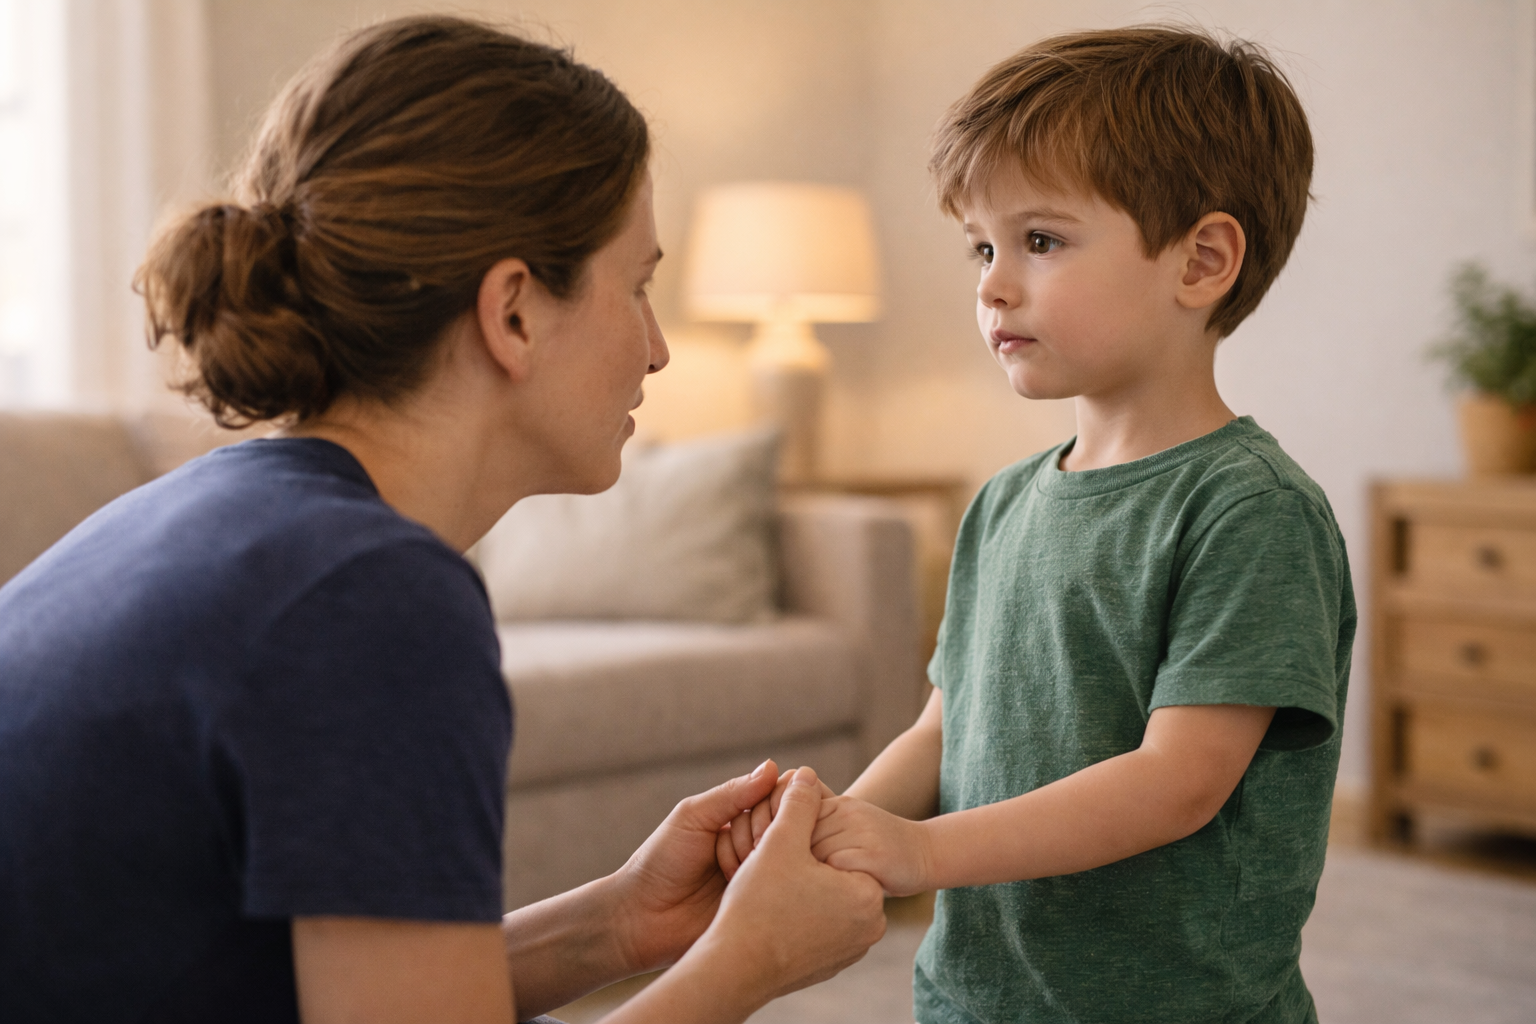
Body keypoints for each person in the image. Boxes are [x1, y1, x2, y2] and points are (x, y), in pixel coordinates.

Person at [0, 16, 884, 1024]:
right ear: (512, 311)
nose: (656, 350)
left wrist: (613, 925)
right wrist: (749, 963)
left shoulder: (215, 518)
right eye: (636, 287)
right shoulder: (366, 599)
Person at [720, 26, 1355, 1024]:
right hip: (979, 997)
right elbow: (945, 726)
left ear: (1202, 261)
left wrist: (925, 853)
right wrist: (836, 824)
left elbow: (1175, 782)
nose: (991, 283)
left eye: (1041, 241)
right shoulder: (1004, 502)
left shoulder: (1250, 511)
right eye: (982, 245)